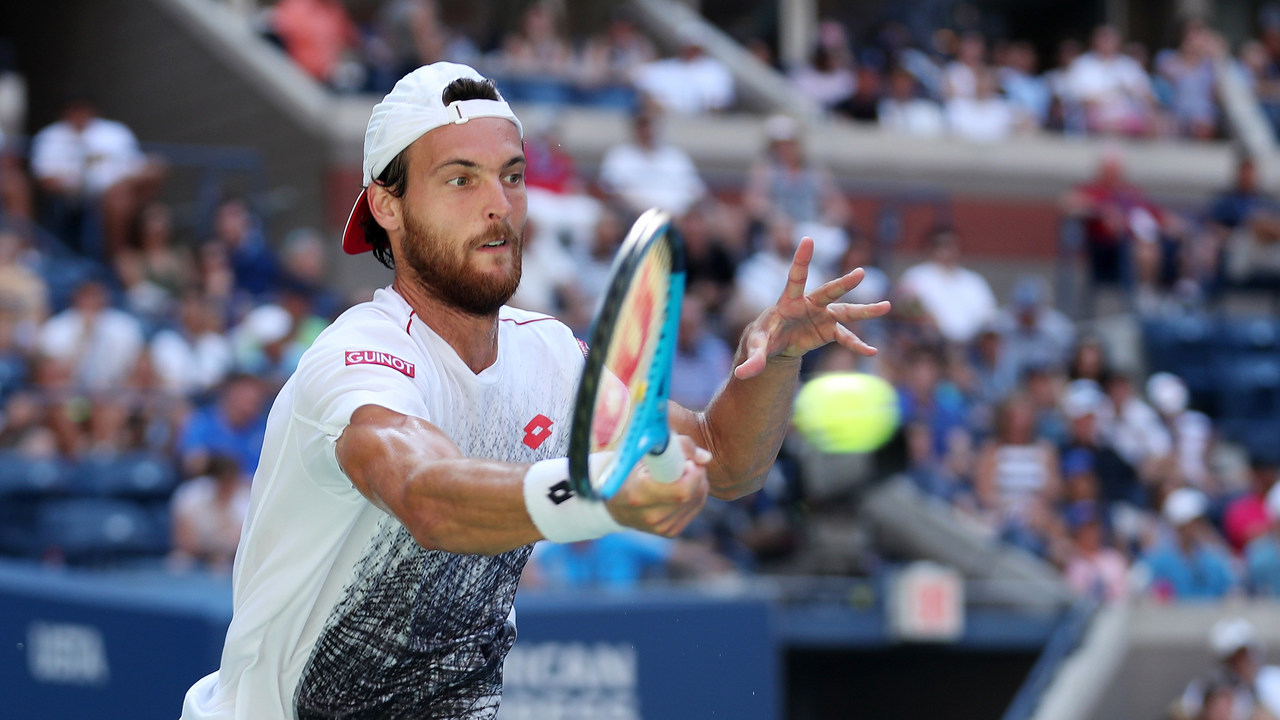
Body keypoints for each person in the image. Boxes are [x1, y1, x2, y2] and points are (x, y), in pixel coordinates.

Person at [179, 61, 890, 719]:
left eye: (511, 176)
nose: (499, 205)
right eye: (461, 180)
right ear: (387, 205)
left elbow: (724, 459)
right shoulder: (356, 356)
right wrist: (596, 494)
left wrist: (775, 361)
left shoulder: (547, 354)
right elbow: (427, 495)